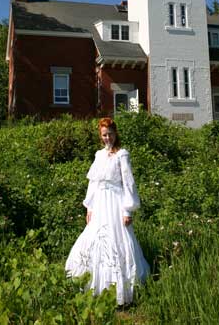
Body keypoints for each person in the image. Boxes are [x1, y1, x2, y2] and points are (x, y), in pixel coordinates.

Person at [65, 117, 150, 305]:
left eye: (110, 134)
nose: (107, 138)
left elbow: (129, 183)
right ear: (100, 135)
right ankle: (92, 287)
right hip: (100, 204)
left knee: (117, 241)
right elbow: (93, 183)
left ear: (115, 133)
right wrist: (90, 207)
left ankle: (121, 291)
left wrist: (128, 210)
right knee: (94, 240)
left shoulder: (122, 155)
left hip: (116, 204)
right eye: (104, 135)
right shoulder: (98, 155)